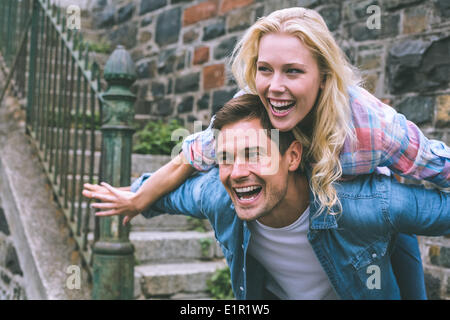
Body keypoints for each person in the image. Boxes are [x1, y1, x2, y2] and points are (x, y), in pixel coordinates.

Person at [84, 7, 450, 298]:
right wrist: (138, 197)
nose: (275, 87)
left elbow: (437, 165)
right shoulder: (248, 117)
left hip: (372, 220)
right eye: (264, 69)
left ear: (323, 76)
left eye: (293, 71)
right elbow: (189, 157)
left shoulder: (371, 127)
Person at [85, 94, 450, 300]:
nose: (236, 171)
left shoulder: (366, 205)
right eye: (225, 157)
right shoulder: (219, 196)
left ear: (292, 157)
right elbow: (170, 196)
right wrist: (134, 196)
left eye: (252, 154)